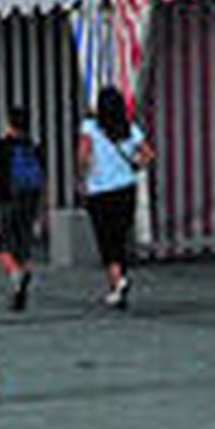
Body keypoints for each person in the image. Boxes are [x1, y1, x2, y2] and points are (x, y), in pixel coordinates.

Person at [77, 86, 153, 310]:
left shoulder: (90, 127)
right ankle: (118, 285)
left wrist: (82, 178)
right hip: (126, 188)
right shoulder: (129, 128)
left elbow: (83, 156)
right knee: (120, 237)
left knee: (106, 239)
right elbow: (148, 154)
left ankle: (118, 283)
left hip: (99, 190)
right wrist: (136, 166)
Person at [0, 106, 46, 312]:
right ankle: (18, 291)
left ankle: (16, 275)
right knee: (22, 247)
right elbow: (42, 179)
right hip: (29, 202)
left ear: (9, 123)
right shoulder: (32, 147)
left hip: (4, 200)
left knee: (2, 246)